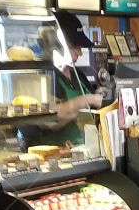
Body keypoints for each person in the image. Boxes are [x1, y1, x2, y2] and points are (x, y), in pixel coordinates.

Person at [35, 10, 103, 147]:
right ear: (58, 45)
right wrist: (88, 99)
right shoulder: (44, 76)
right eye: (74, 46)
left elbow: (93, 113)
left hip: (86, 151)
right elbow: (50, 120)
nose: (80, 52)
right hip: (55, 155)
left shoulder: (78, 75)